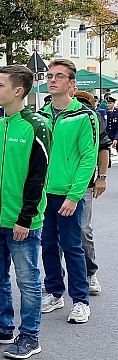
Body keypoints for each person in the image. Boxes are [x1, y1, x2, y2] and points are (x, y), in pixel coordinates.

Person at [0, 66, 50, 360]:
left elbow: (37, 176)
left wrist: (25, 217)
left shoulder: (36, 126)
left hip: (22, 222)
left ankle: (30, 336)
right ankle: (3, 326)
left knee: (27, 280)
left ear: (18, 90)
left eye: (0, 85)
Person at [37, 60, 99, 324]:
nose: (52, 80)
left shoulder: (84, 116)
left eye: (59, 76)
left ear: (72, 83)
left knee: (72, 246)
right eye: (50, 75)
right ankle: (54, 292)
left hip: (68, 194)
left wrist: (74, 196)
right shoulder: (40, 116)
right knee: (48, 244)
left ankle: (81, 300)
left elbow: (88, 158)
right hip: (44, 194)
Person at [71, 90, 110, 297]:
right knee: (54, 235)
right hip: (56, 183)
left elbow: (103, 148)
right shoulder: (52, 113)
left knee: (83, 230)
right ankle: (54, 279)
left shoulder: (91, 117)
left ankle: (90, 273)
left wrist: (101, 177)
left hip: (84, 183)